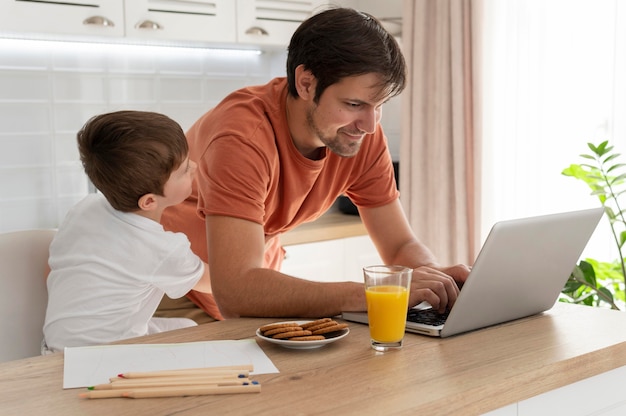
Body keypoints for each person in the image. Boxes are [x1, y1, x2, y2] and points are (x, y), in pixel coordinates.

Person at [160, 7, 470, 320]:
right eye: (353, 104)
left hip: (252, 293)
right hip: (173, 292)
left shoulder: (359, 136)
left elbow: (400, 244)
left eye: (379, 106)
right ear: (306, 83)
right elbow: (237, 290)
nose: (370, 125)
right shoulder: (243, 138)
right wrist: (378, 293)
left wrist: (434, 277)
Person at [43, 110, 214, 353]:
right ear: (149, 202)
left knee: (185, 326)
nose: (195, 167)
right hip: (109, 357)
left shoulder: (85, 208)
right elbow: (216, 284)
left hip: (55, 347)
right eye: (185, 170)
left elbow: (52, 268)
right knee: (197, 340)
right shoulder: (162, 248)